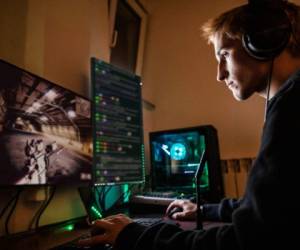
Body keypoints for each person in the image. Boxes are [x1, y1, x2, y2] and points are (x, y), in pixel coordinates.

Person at [79, 0, 300, 249]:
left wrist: (136, 235)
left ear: (262, 42)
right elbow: (274, 208)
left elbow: (250, 240)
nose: (219, 74)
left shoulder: (292, 107)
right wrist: (204, 209)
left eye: (224, 55)